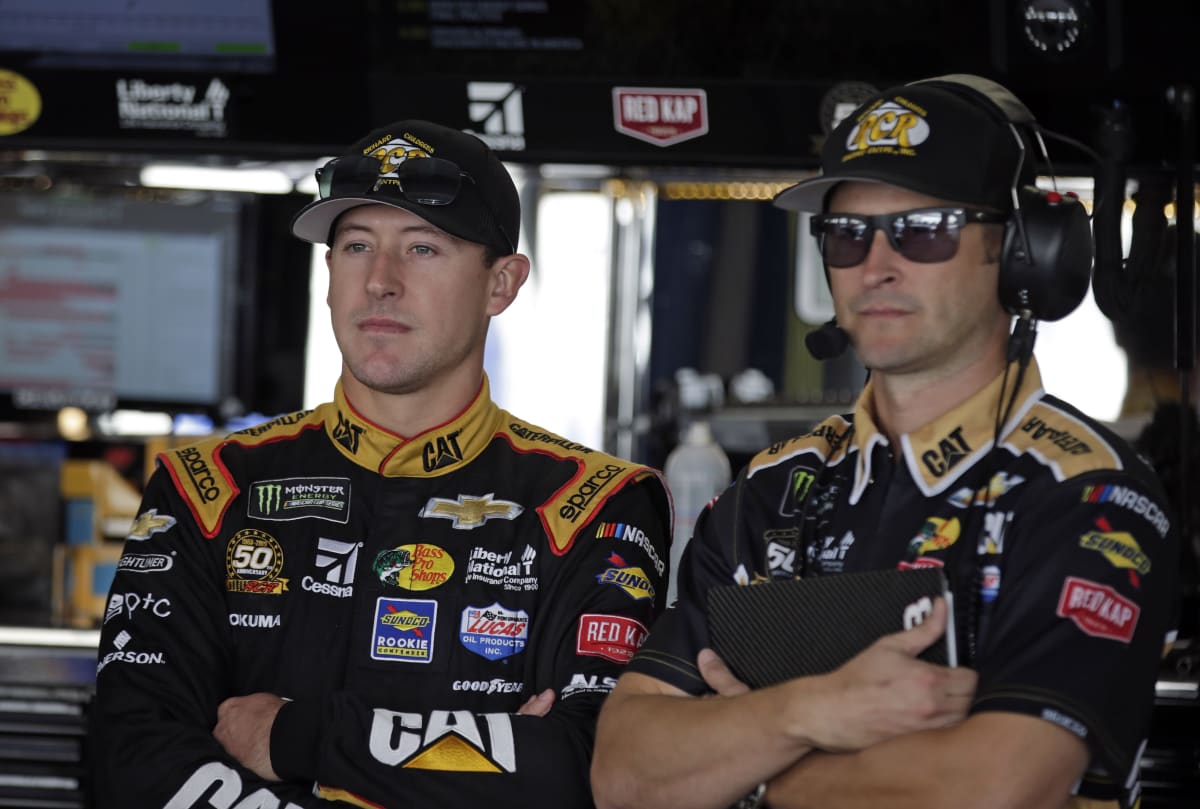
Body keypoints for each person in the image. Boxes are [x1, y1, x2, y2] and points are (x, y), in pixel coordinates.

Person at [592, 75, 1177, 809]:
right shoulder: (767, 493)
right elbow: (626, 772)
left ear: (1021, 251)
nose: (877, 264)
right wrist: (819, 709)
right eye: (846, 234)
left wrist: (750, 763)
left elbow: (996, 786)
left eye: (924, 229)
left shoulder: (1090, 496)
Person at [87, 120, 672, 809]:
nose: (381, 282)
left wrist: (300, 735)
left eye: (423, 248)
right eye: (356, 246)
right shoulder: (206, 485)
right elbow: (128, 763)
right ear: (329, 273)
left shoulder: (594, 504)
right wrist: (482, 758)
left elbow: (586, 767)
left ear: (502, 284)